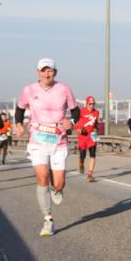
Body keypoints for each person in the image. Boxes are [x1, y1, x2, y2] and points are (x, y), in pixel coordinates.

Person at [15, 58, 80, 237]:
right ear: (38, 72)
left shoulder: (64, 89)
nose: (47, 73)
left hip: (58, 140)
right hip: (37, 140)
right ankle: (48, 219)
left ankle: (56, 189)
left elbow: (76, 111)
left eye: (50, 70)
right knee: (42, 176)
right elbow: (19, 109)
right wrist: (19, 124)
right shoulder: (28, 90)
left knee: (59, 183)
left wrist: (71, 122)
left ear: (55, 72)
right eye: (43, 70)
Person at [76, 95, 100, 182]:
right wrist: (78, 129)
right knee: (83, 155)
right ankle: (81, 163)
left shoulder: (96, 112)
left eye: (93, 104)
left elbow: (96, 124)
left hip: (92, 135)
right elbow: (74, 122)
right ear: (86, 104)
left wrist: (96, 129)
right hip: (82, 136)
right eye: (90, 104)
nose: (92, 106)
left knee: (93, 154)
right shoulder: (81, 111)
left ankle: (90, 174)